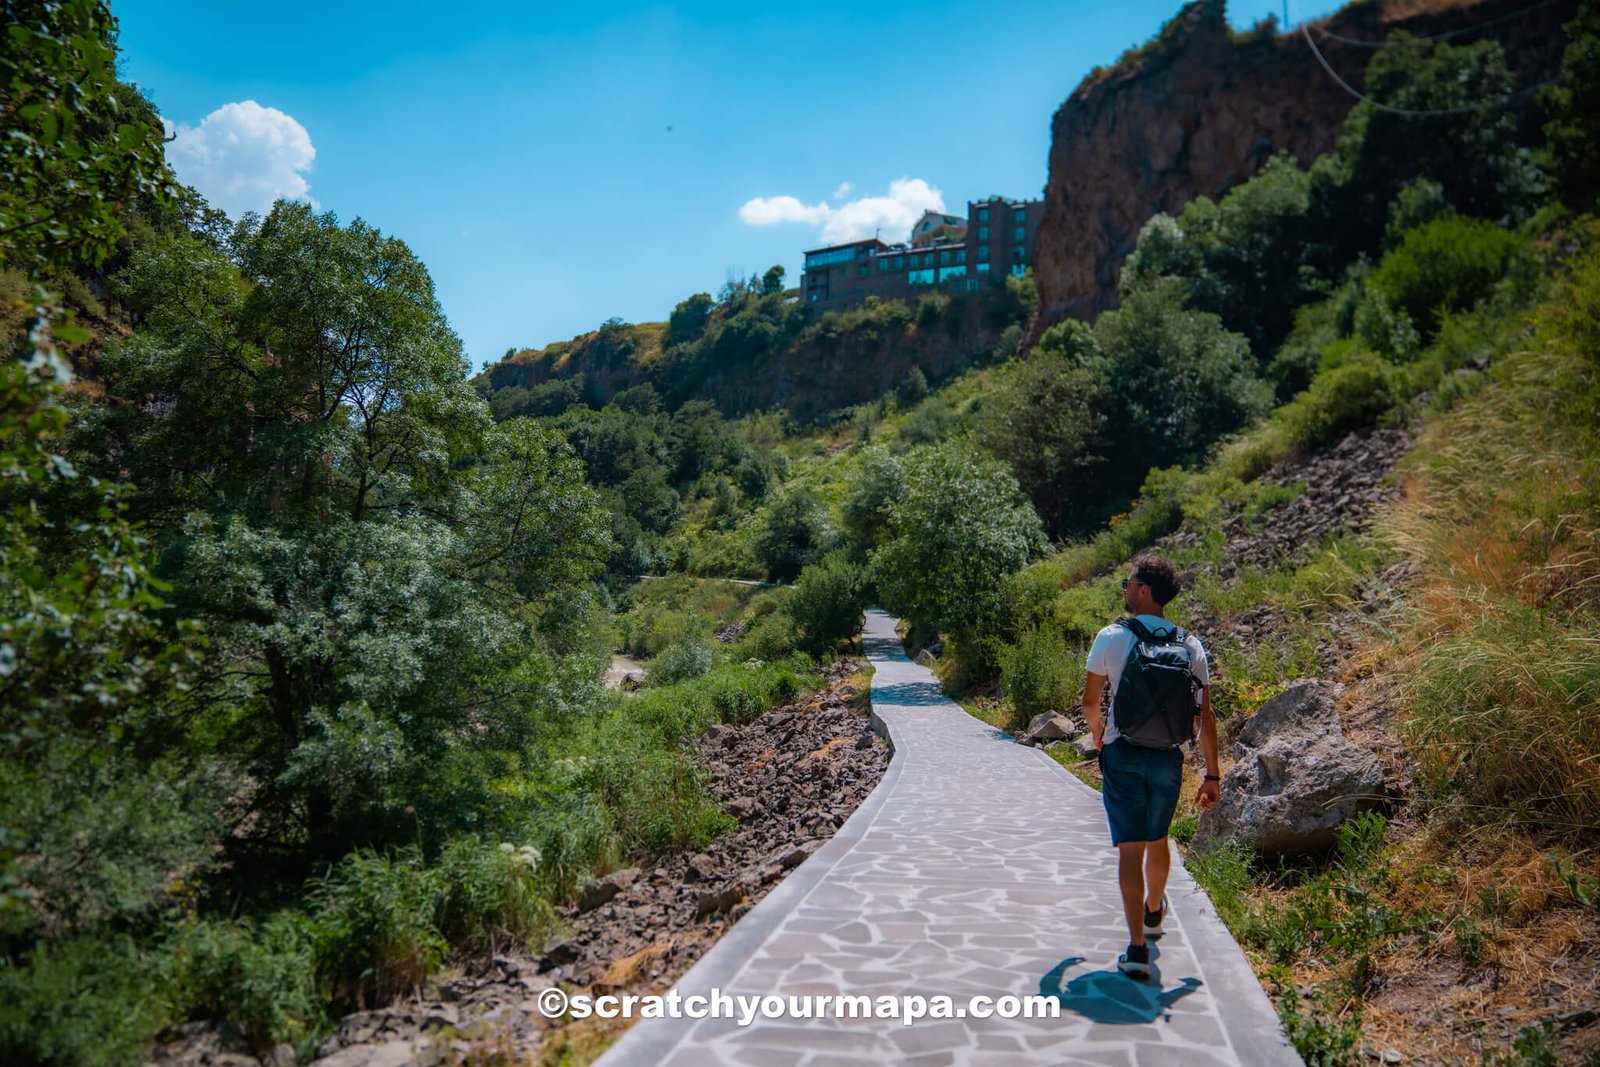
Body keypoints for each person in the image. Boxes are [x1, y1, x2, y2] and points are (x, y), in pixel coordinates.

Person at [1081, 555, 1220, 980]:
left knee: (1130, 848)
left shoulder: (1112, 636)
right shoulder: (1190, 645)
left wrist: (1098, 732)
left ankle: (1137, 949)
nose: (1124, 588)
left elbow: (1089, 703)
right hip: (1167, 757)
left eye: (1129, 582)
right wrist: (1213, 774)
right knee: (1158, 838)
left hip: (1124, 753)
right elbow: (1206, 717)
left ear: (1144, 590)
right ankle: (1155, 911)